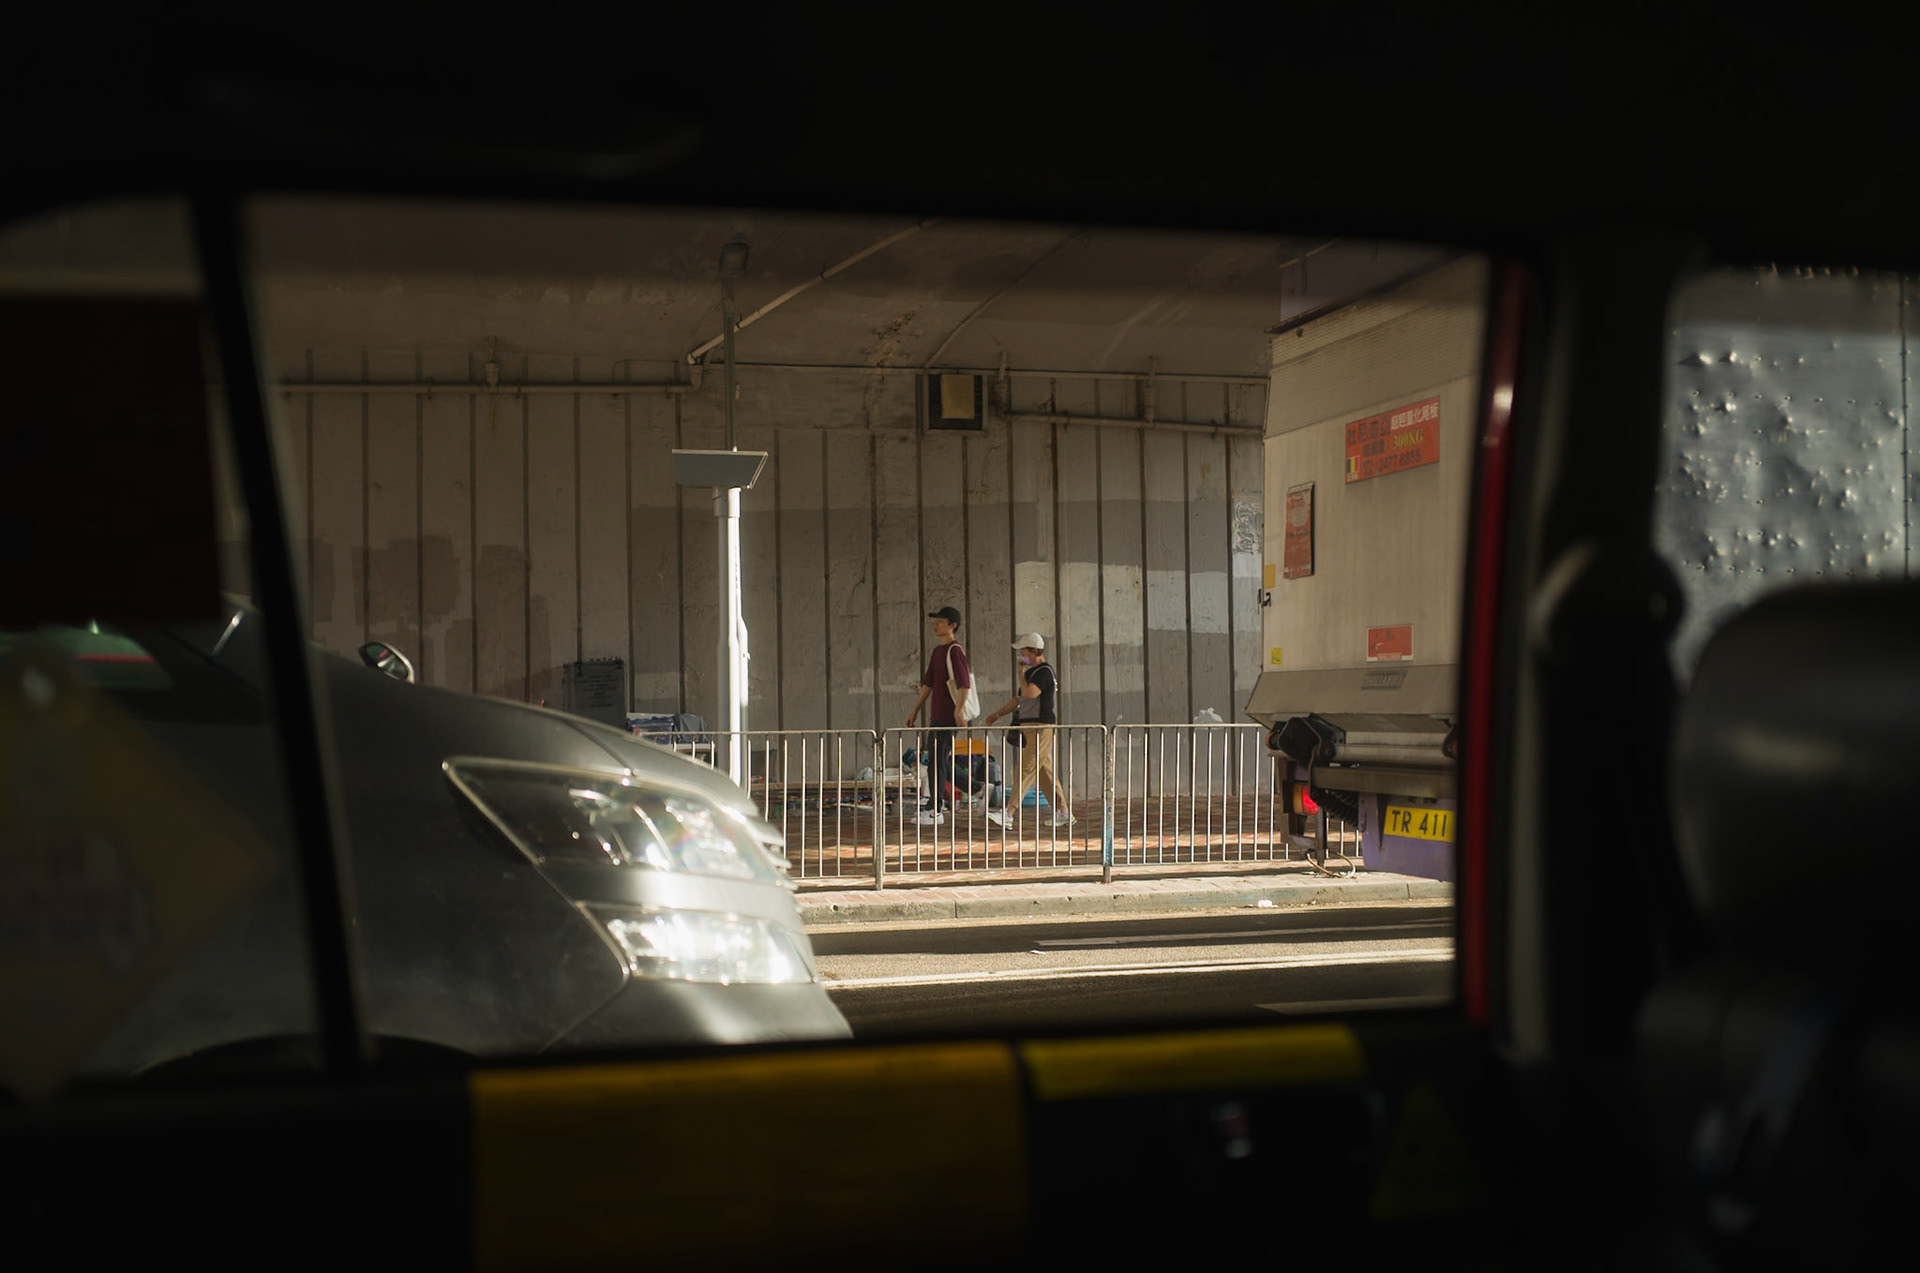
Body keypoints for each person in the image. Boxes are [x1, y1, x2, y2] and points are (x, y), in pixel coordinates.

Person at [981, 632, 1073, 828]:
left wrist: (1021, 674)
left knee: (1025, 769)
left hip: (1041, 728)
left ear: (1034, 651)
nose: (1021, 654)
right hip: (1030, 728)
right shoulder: (1032, 673)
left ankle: (1009, 813)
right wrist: (997, 714)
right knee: (1044, 772)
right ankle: (1063, 811)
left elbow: (1030, 694)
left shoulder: (1044, 672)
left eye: (1024, 651)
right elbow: (1018, 699)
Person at [903, 605, 972, 825]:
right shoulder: (937, 651)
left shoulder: (955, 650)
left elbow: (964, 684)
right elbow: (927, 684)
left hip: (948, 717)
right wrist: (914, 710)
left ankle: (937, 809)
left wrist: (959, 709)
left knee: (939, 761)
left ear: (952, 625)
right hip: (936, 716)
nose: (936, 625)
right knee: (935, 761)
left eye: (941, 621)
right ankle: (937, 803)